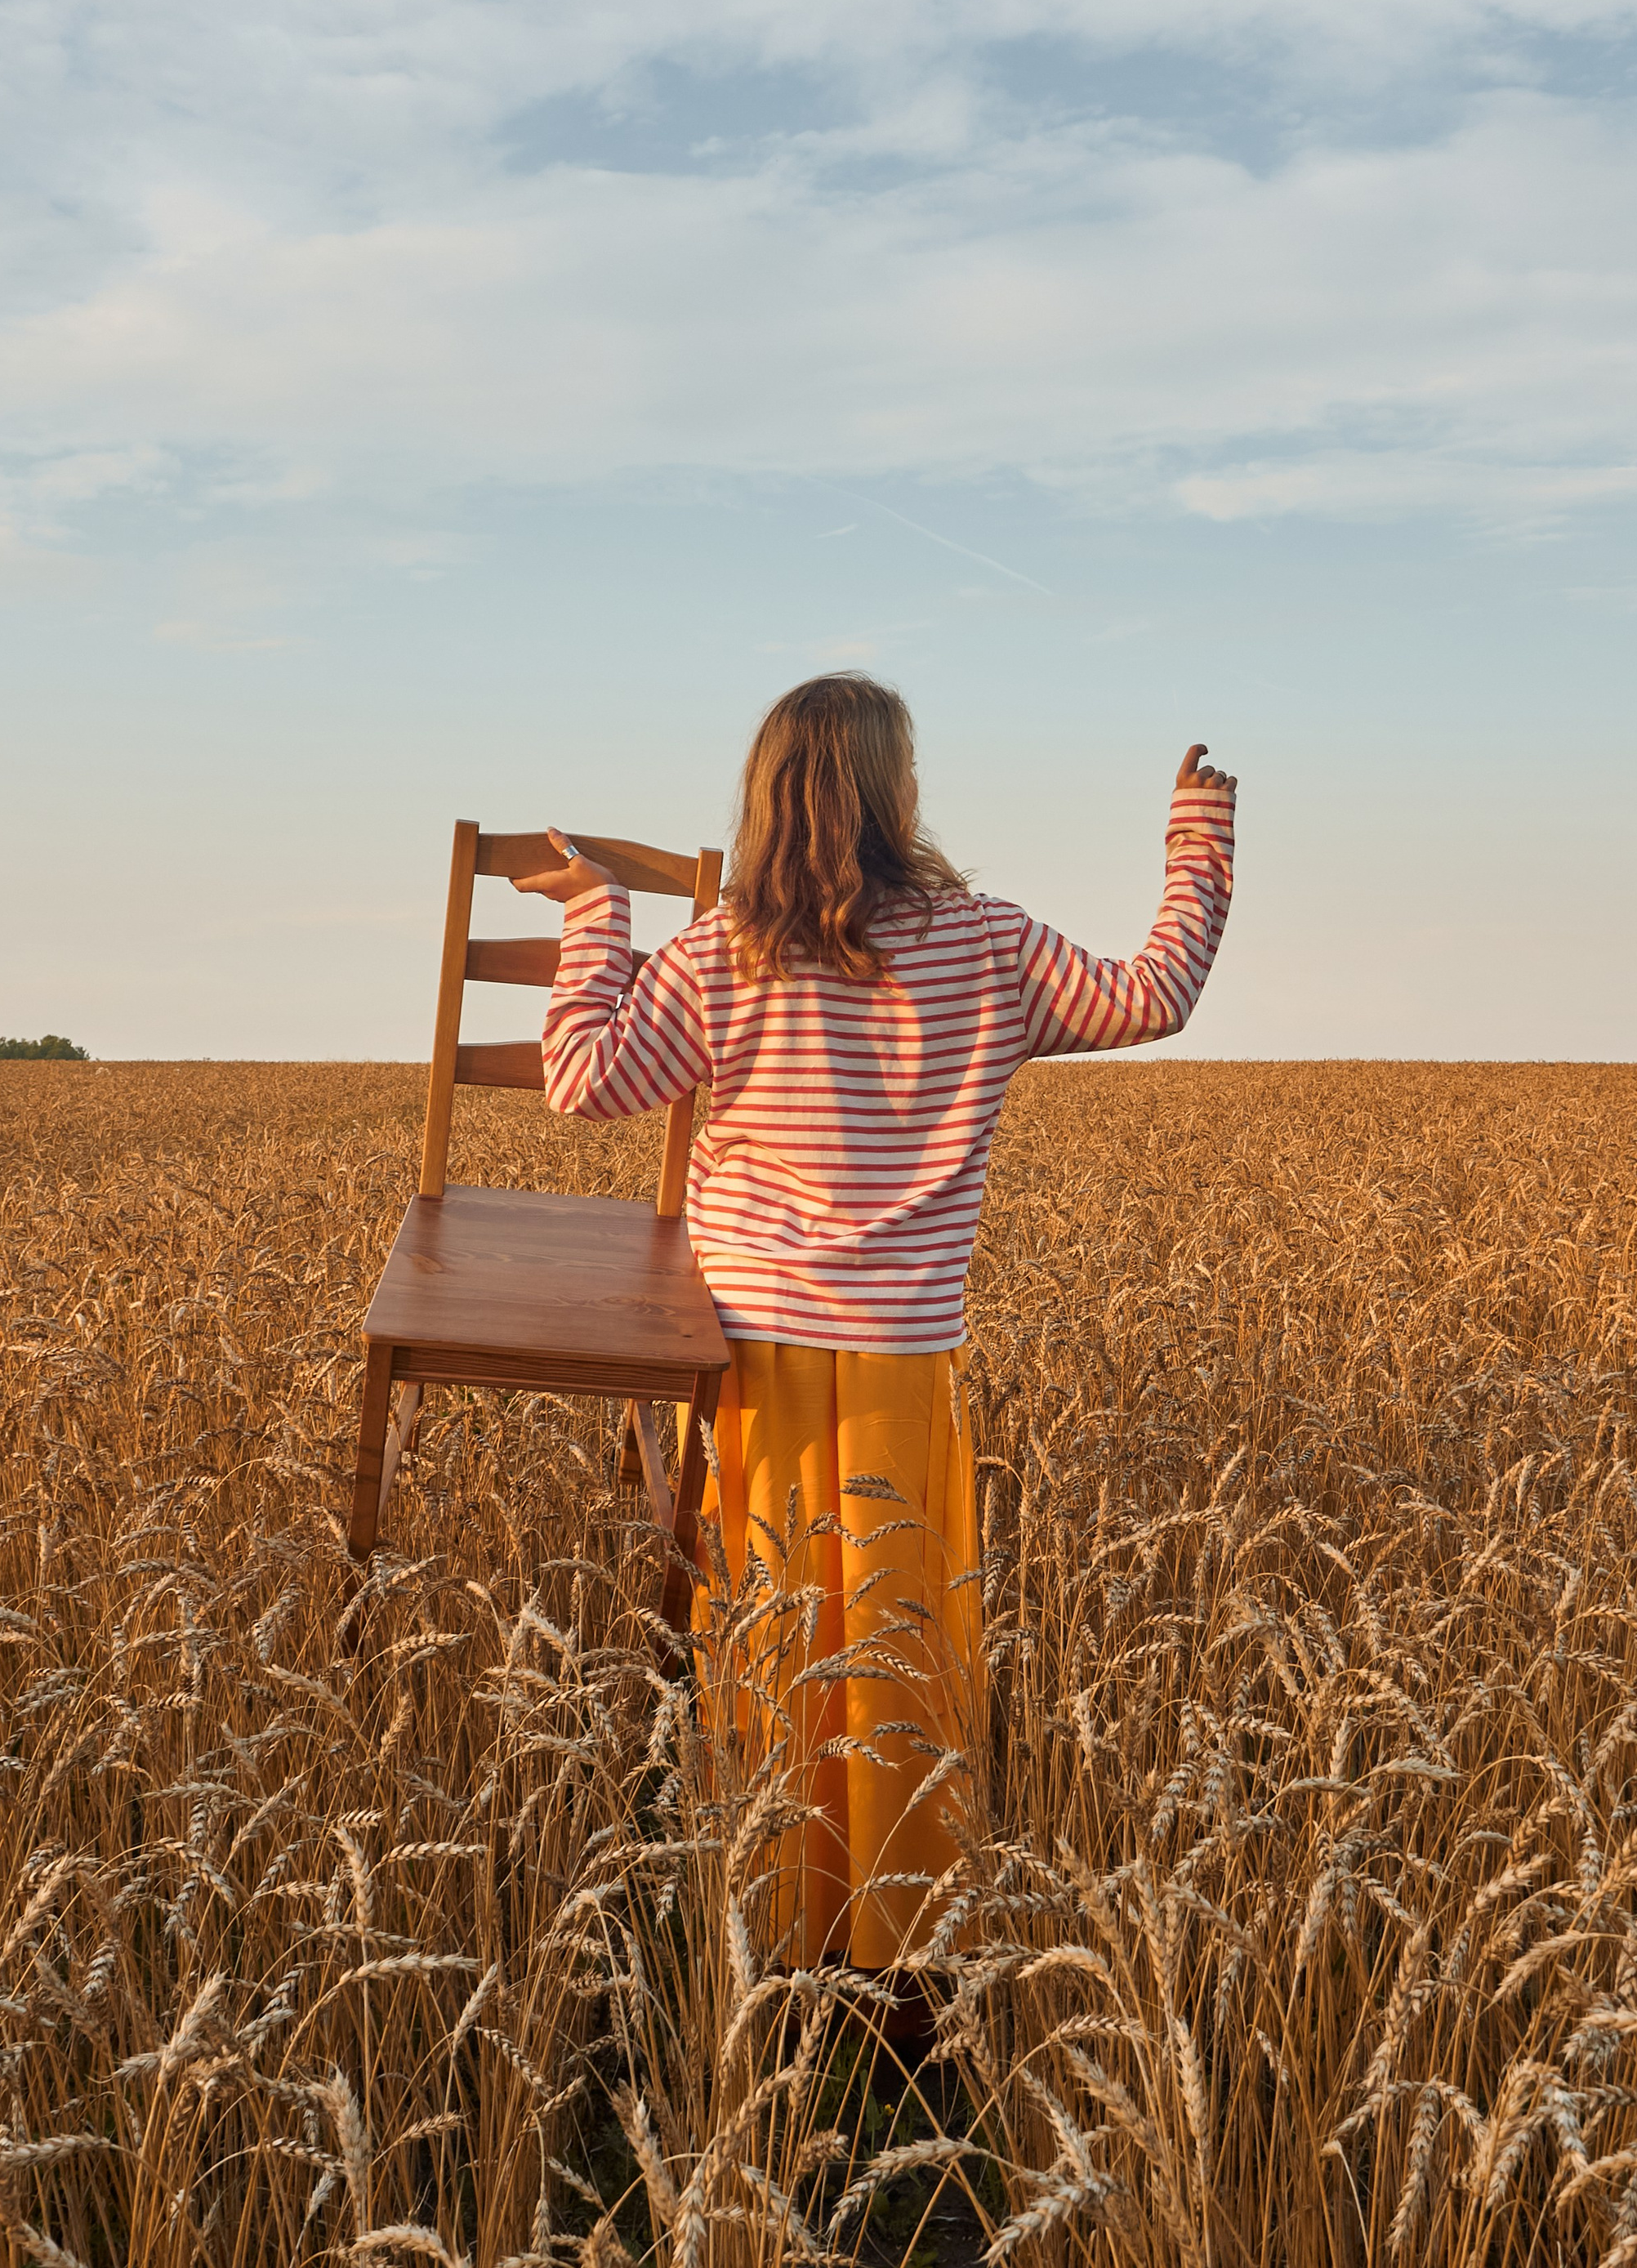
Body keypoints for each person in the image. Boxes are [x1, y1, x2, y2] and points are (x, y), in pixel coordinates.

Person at [513, 672, 1235, 1971]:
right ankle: (909, 1962)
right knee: (902, 1650)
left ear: (768, 797)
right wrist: (1196, 839)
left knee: (772, 1638)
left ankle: (772, 1945)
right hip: (907, 1360)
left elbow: (580, 1078)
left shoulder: (717, 953)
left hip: (749, 1359)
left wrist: (596, 914)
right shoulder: (990, 943)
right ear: (894, 796)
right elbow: (1157, 992)